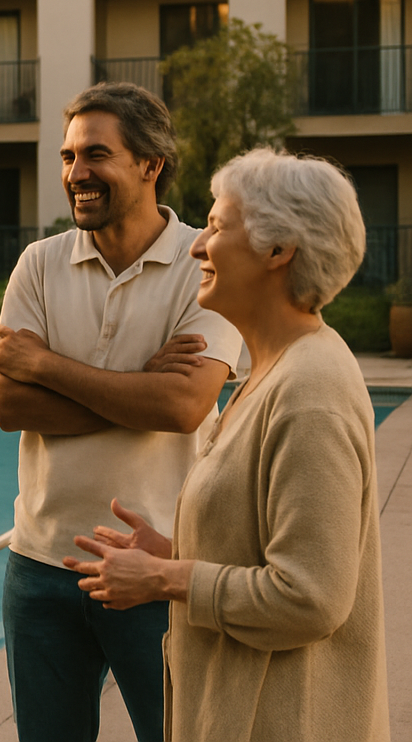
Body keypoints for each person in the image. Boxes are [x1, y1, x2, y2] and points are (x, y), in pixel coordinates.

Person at [66, 148, 390, 742]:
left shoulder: (310, 390)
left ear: (277, 249)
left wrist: (168, 580)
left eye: (216, 227)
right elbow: (262, 545)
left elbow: (310, 598)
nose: (196, 246)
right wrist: (171, 552)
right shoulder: (268, 373)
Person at [0, 82, 242, 742]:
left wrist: (47, 367)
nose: (77, 174)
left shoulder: (204, 265)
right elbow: (10, 406)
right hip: (40, 570)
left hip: (158, 564)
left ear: (150, 165)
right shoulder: (39, 265)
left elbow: (184, 405)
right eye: (69, 157)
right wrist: (138, 391)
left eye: (95, 155)